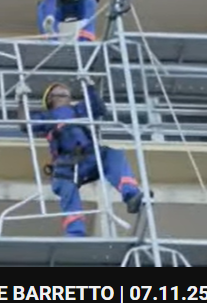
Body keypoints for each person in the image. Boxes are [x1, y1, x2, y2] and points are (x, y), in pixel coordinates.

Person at [14, 77, 147, 237]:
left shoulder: (78, 110)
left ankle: (131, 195)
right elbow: (25, 124)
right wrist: (21, 101)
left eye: (66, 92)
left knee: (113, 156)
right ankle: (75, 233)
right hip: (66, 163)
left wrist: (90, 87)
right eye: (60, 91)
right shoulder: (46, 117)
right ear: (50, 98)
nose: (65, 92)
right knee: (65, 188)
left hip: (90, 155)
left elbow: (98, 108)